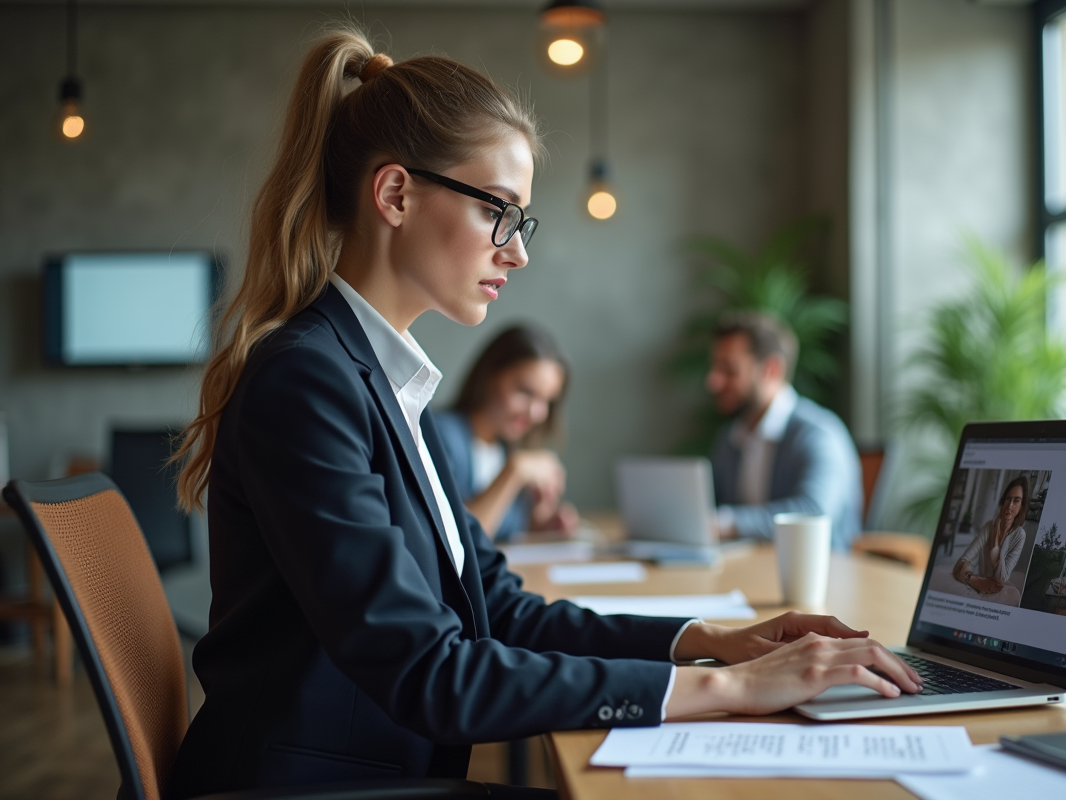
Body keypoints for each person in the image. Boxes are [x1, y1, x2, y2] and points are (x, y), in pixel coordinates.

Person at [166, 31, 921, 799]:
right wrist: (729, 689)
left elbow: (497, 609)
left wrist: (712, 641)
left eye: (520, 222)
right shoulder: (308, 380)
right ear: (395, 195)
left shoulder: (386, 383)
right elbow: (428, 672)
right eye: (498, 211)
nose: (516, 252)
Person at [706, 311, 862, 551]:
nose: (713, 381)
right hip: (749, 567)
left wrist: (727, 523)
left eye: (729, 369)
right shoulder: (731, 437)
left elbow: (813, 513)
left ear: (772, 370)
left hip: (825, 570)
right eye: (715, 368)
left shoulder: (818, 434)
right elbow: (710, 506)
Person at [434, 325, 577, 541]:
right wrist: (514, 472)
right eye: (525, 392)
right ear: (489, 375)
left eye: (547, 400)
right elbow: (455, 541)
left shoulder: (503, 447)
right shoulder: (440, 435)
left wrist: (539, 523)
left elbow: (497, 527)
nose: (536, 414)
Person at [952, 476, 1028, 606]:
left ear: (1022, 506)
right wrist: (974, 580)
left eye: (1016, 500)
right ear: (1003, 501)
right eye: (1008, 499)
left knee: (1013, 596)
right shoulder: (989, 527)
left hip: (998, 587)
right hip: (981, 581)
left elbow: (1001, 578)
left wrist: (995, 544)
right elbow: (960, 563)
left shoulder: (1019, 535)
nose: (1010, 505)